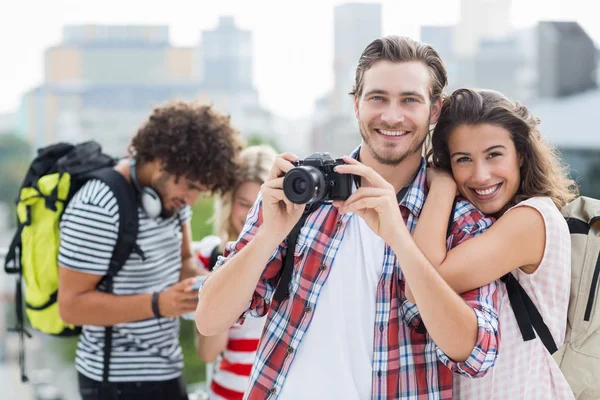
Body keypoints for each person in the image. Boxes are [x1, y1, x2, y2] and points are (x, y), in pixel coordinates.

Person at [196, 36, 501, 399]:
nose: (391, 116)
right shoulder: (304, 194)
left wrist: (400, 239)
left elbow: (476, 353)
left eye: (409, 100)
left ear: (434, 111)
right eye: (378, 98)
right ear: (356, 104)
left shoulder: (460, 219)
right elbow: (210, 318)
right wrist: (268, 235)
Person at [57, 102, 243, 400]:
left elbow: (184, 262)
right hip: (113, 384)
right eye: (191, 187)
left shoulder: (173, 202)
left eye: (201, 191)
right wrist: (158, 304)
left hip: (167, 373)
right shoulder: (97, 205)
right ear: (162, 160)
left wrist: (211, 283)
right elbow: (71, 306)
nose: (192, 200)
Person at [408, 88, 576, 399]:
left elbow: (420, 283)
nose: (481, 175)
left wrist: (443, 187)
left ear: (521, 154)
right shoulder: (478, 226)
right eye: (463, 160)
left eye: (494, 155)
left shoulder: (533, 218)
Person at [194, 145, 277, 400]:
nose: (254, 214)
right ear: (228, 203)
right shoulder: (210, 255)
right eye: (244, 204)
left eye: (263, 204)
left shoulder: (298, 259)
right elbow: (208, 352)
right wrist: (224, 274)